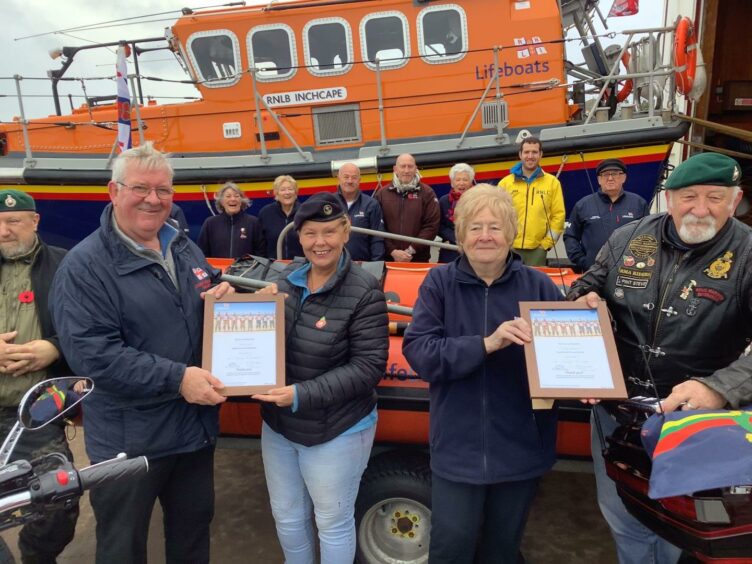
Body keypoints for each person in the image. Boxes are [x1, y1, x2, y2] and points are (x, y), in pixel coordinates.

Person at [49, 142, 233, 564]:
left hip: (192, 432)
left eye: (164, 190)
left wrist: (224, 295)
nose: (154, 199)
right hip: (129, 443)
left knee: (192, 538)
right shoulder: (84, 268)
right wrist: (178, 378)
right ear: (114, 192)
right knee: (123, 546)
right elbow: (94, 355)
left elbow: (204, 288)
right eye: (141, 189)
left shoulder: (183, 247)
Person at [567, 152, 752, 564]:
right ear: (669, 198)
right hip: (617, 413)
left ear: (735, 200)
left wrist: (718, 387)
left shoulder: (748, 255)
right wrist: (583, 299)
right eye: (689, 196)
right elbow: (585, 285)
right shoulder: (628, 238)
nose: (700, 209)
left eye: (715, 197)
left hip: (692, 422)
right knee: (622, 515)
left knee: (678, 525)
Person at [402, 185, 562, 563]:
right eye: (475, 227)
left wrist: (585, 378)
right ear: (460, 236)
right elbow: (420, 352)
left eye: (495, 226)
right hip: (457, 450)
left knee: (502, 551)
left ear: (510, 232)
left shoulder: (538, 286)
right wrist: (485, 344)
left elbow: (564, 355)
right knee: (450, 549)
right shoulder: (439, 284)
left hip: (520, 449)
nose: (486, 236)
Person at [253, 193, 388, 563]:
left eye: (329, 231)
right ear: (299, 236)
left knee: (332, 521)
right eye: (311, 233)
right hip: (280, 427)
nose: (320, 242)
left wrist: (299, 394)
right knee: (287, 516)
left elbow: (368, 367)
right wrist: (256, 311)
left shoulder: (364, 291)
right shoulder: (284, 283)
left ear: (345, 232)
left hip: (336, 429)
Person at [0, 189, 79, 563]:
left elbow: (87, 327)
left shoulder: (65, 265)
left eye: (12, 221)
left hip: (35, 413)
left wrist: (55, 347)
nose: (3, 231)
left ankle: (36, 556)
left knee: (58, 501)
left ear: (34, 221)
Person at [564, 158, 648, 272]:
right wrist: (582, 260)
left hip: (628, 270)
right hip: (592, 271)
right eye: (605, 174)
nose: (610, 178)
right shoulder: (583, 205)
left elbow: (646, 237)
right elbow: (570, 236)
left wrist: (638, 261)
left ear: (624, 177)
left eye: (615, 174)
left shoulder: (638, 203)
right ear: (599, 179)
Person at [499, 137, 565, 266]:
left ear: (540, 155)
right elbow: (496, 215)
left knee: (534, 286)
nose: (530, 156)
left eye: (534, 152)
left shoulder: (552, 183)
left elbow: (558, 216)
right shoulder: (505, 184)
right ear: (520, 154)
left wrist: (546, 245)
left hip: (537, 251)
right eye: (526, 152)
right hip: (509, 248)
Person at [374, 153, 440, 262]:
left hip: (418, 259)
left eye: (410, 166)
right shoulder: (381, 194)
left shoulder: (427, 193)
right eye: (403, 166)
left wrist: (411, 250)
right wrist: (392, 251)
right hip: (390, 260)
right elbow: (377, 226)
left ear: (415, 169)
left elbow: (431, 226)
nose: (406, 170)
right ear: (395, 169)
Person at [197, 181, 266, 258]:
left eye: (236, 196)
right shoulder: (210, 223)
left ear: (241, 201)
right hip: (217, 269)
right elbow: (201, 253)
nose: (233, 199)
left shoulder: (253, 223)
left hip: (246, 269)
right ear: (222, 202)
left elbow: (261, 253)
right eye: (228, 196)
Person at [335, 162, 385, 261]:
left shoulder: (371, 204)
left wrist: (375, 266)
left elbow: (377, 239)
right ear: (339, 179)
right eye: (346, 177)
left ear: (359, 180)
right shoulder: (329, 203)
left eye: (354, 177)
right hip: (333, 265)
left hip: (361, 266)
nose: (350, 181)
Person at [258, 175, 303, 259]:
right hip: (274, 267)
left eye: (290, 189)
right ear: (276, 193)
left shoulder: (304, 212)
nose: (287, 193)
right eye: (282, 190)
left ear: (296, 192)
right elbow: (260, 245)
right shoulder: (266, 213)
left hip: (300, 266)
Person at [438, 163, 475, 263]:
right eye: (458, 180)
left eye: (465, 180)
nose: (461, 183)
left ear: (471, 182)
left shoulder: (479, 200)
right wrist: (456, 238)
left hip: (474, 247)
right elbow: (439, 226)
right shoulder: (444, 201)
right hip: (450, 249)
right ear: (452, 183)